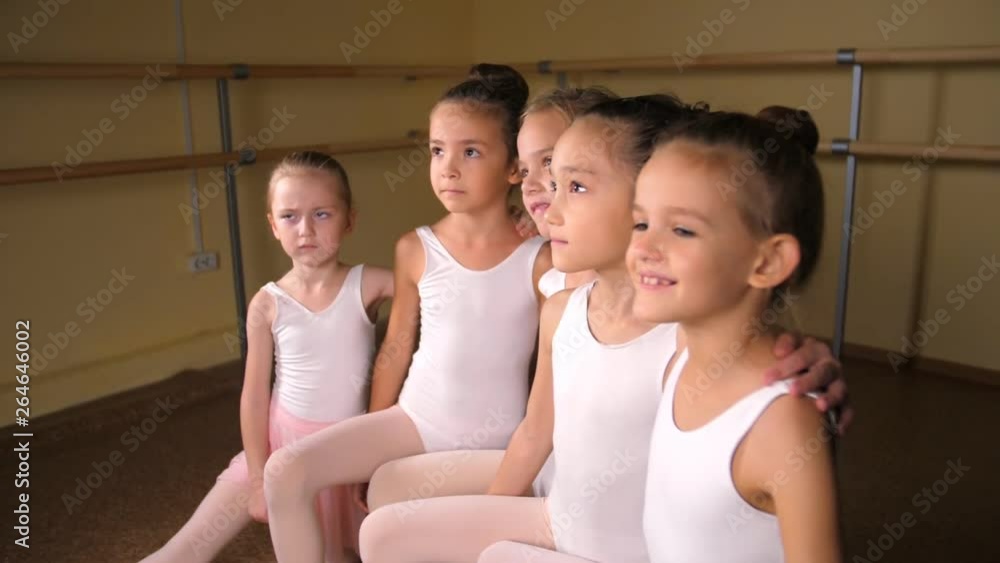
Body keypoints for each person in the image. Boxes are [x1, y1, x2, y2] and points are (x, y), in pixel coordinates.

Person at [139, 151, 392, 563]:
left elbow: (439, 285)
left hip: (345, 449)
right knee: (182, 551)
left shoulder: (369, 283)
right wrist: (258, 479)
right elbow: (255, 395)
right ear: (273, 225)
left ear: (349, 220)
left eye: (322, 214)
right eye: (290, 216)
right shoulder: (267, 303)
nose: (306, 229)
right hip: (280, 444)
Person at [637, 110, 840, 562]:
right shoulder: (680, 360)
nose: (643, 248)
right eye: (641, 223)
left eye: (682, 230)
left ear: (767, 262)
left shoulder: (783, 421)